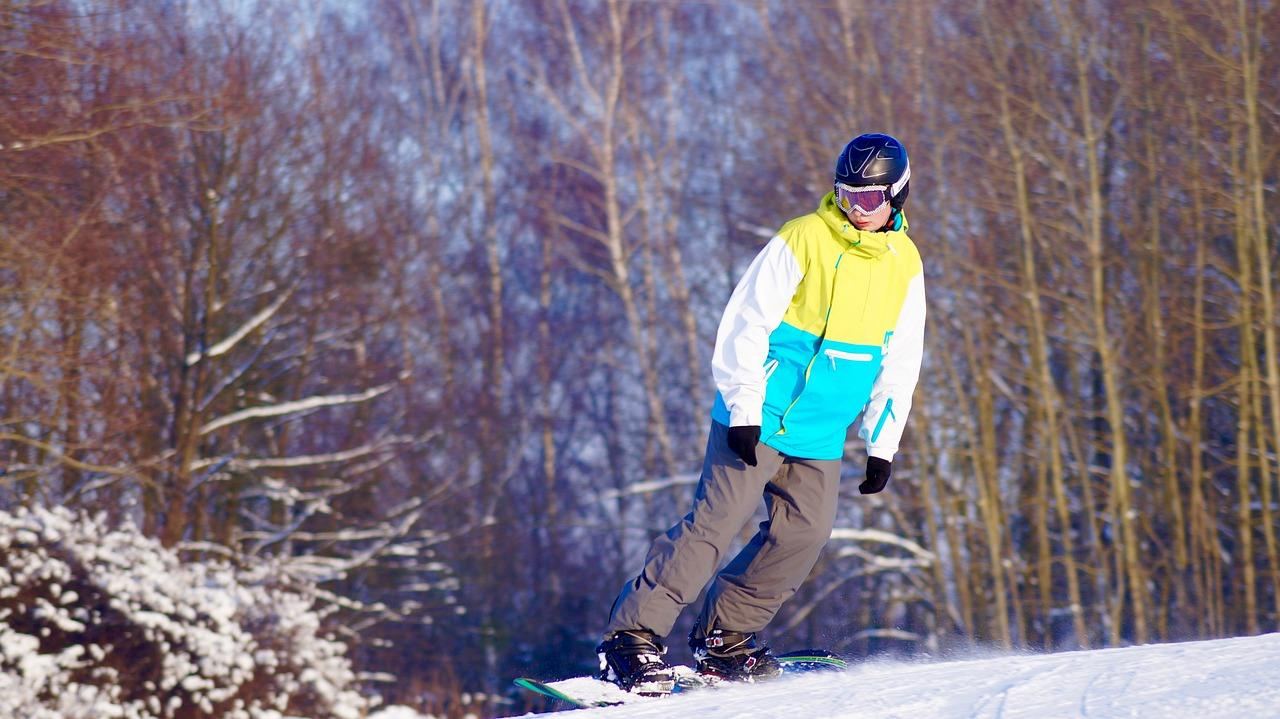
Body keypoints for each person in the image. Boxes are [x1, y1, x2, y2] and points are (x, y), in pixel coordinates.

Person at [595, 133, 926, 694]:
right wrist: (745, 406)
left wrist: (881, 443)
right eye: (847, 197)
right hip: (759, 414)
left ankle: (726, 638)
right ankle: (631, 638)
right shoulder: (802, 239)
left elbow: (901, 358)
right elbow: (744, 324)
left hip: (820, 431)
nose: (857, 210)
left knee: (804, 534)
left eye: (870, 200)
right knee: (715, 525)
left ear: (898, 195)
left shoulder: (904, 263)